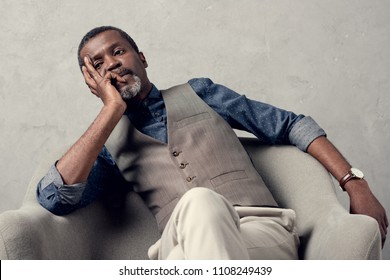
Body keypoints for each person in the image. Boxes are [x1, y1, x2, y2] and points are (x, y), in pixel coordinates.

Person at [37, 26, 388, 259]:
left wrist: (355, 184)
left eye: (119, 52)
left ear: (141, 59)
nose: (112, 64)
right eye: (98, 64)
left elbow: (291, 125)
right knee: (197, 212)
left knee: (200, 208)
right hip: (179, 244)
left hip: (260, 233)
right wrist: (111, 110)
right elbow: (55, 197)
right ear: (93, 82)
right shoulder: (110, 142)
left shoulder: (202, 93)